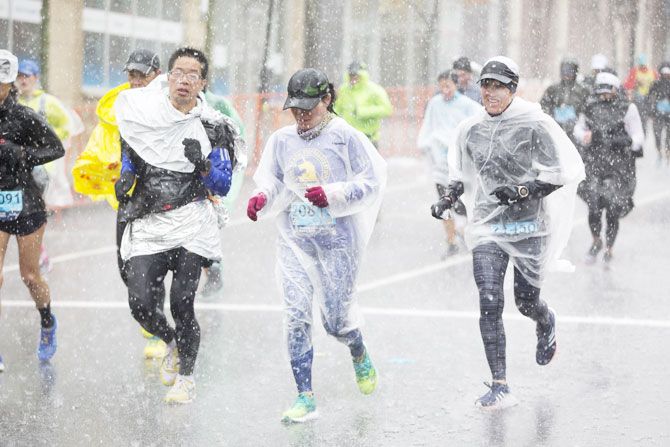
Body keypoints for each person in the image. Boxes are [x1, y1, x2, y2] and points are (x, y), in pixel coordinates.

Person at [430, 56, 584, 409]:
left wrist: (521, 191)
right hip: (487, 227)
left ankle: (545, 319)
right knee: (488, 299)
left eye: (499, 86)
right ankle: (500, 384)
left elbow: (557, 174)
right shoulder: (470, 128)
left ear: (513, 90)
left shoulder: (534, 125)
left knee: (525, 301)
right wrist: (448, 199)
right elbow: (460, 174)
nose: (491, 93)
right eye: (486, 85)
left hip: (529, 226)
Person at [247, 68, 386, 423]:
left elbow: (371, 183)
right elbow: (275, 182)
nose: (301, 116)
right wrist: (261, 197)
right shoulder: (282, 141)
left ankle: (356, 347)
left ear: (327, 100)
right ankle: (304, 396)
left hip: (337, 242)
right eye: (295, 109)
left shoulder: (346, 137)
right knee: (295, 316)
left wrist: (333, 194)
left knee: (335, 321)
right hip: (295, 241)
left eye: (309, 107)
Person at [115, 47, 233, 404]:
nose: (183, 81)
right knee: (139, 304)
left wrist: (202, 165)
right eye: (178, 73)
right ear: (167, 78)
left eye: (192, 75)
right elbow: (133, 153)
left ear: (203, 83)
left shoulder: (213, 127)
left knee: (183, 302)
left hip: (191, 219)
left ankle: (186, 379)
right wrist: (125, 177)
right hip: (150, 218)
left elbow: (222, 184)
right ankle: (171, 341)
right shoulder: (144, 114)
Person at [72, 48, 167, 360]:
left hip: (162, 200)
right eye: (132, 74)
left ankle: (158, 329)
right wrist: (96, 172)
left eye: (143, 74)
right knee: (127, 269)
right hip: (129, 200)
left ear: (157, 74)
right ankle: (150, 313)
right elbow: (99, 150)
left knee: (152, 269)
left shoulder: (171, 104)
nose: (137, 80)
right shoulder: (116, 110)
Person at [0, 49, 65, 369]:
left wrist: (21, 154)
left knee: (29, 275)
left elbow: (56, 147)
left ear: (10, 83)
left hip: (25, 202)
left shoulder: (24, 116)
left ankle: (47, 321)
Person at [574, 72, 644, 265]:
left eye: (608, 90)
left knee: (613, 207)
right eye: (601, 90)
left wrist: (627, 142)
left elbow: (638, 136)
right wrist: (584, 136)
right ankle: (596, 240)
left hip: (619, 166)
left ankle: (609, 248)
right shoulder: (589, 106)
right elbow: (578, 129)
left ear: (616, 89)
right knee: (594, 205)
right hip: (595, 163)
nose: (604, 95)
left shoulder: (628, 108)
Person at [15, 59, 74, 275]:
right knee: (18, 212)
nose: (23, 80)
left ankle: (38, 252)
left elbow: (67, 125)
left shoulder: (47, 103)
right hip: (14, 165)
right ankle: (37, 251)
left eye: (27, 76)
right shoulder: (11, 101)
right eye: (20, 76)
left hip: (39, 167)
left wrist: (46, 142)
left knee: (29, 211)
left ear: (36, 78)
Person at [417, 69, 481, 257]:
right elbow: (428, 126)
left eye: (448, 86)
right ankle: (451, 240)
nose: (445, 90)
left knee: (462, 203)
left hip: (460, 163)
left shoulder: (467, 105)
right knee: (442, 202)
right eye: (441, 86)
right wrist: (424, 144)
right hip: (440, 161)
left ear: (455, 85)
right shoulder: (435, 104)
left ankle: (469, 233)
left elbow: (477, 125)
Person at [333, 61, 393, 148]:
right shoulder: (344, 89)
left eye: (356, 75)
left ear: (363, 75)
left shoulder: (374, 89)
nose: (353, 78)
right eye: (351, 75)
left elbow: (387, 109)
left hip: (369, 139)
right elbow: (336, 110)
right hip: (348, 139)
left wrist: (362, 112)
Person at [540, 58, 589, 145]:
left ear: (575, 72)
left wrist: (579, 121)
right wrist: (551, 119)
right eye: (564, 70)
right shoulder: (553, 89)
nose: (567, 74)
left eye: (570, 71)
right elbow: (543, 106)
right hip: (555, 131)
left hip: (576, 133)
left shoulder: (582, 90)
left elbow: (588, 109)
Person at [623, 54, 658, 125]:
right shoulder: (634, 72)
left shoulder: (652, 73)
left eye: (643, 65)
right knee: (641, 116)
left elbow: (657, 84)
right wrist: (636, 84)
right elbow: (627, 85)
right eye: (641, 65)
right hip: (638, 98)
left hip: (649, 98)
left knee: (644, 116)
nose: (642, 67)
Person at [648, 62, 670, 163]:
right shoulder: (656, 84)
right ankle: (659, 152)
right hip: (657, 113)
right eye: (664, 74)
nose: (666, 76)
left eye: (668, 74)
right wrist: (651, 112)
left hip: (668, 115)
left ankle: (667, 152)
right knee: (657, 134)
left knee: (668, 135)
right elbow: (650, 98)